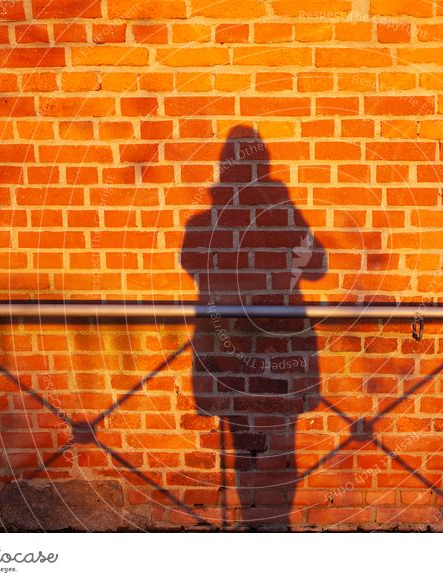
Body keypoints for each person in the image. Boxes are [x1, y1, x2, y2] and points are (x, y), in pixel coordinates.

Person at [180, 126, 326, 529]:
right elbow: (316, 267)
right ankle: (269, 525)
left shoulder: (202, 223)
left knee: (247, 438)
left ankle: (257, 525)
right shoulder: (281, 212)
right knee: (276, 439)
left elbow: (192, 265)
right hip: (271, 342)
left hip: (229, 342)